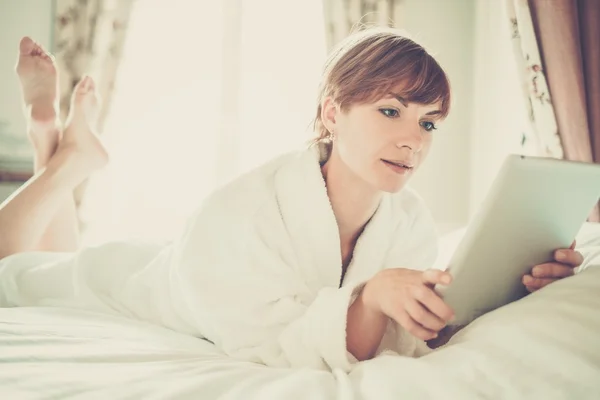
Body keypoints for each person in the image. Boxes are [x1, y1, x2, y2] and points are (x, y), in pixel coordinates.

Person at [0, 29, 584, 372]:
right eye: (390, 111)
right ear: (332, 112)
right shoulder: (242, 209)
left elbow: (403, 337)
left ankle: (55, 145)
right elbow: (272, 343)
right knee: (17, 275)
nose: (412, 139)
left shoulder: (409, 221)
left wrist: (512, 288)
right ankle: (63, 157)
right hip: (147, 282)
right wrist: (370, 296)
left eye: (429, 124)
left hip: (182, 270)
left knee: (49, 263)